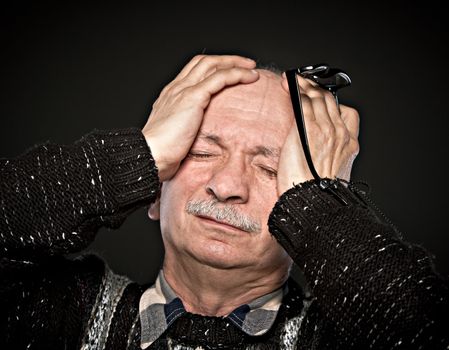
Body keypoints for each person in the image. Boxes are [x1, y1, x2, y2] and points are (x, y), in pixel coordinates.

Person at [0, 55, 447, 350]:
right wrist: (142, 151)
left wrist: (324, 205)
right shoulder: (53, 315)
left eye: (271, 169)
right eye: (200, 152)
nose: (228, 184)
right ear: (152, 189)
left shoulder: (338, 340)